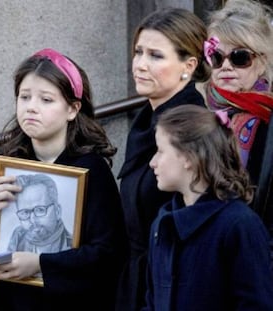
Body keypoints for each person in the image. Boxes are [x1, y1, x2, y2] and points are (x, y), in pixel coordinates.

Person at [0, 48, 127, 310]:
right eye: (24, 97)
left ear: (72, 109)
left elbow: (109, 255)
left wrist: (40, 264)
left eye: (46, 100)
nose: (31, 108)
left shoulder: (92, 171)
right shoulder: (0, 169)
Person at [116, 7, 211, 311]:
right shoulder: (145, 122)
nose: (140, 65)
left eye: (155, 56)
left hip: (171, 288)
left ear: (189, 65)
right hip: (134, 280)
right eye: (138, 52)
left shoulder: (194, 129)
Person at [144, 104, 273, 310]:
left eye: (160, 151)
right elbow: (152, 302)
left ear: (188, 156)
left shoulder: (239, 224)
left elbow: (257, 303)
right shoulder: (162, 224)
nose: (153, 162)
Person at [202, 0, 273, 246]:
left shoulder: (267, 119)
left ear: (262, 62)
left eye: (240, 57)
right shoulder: (199, 111)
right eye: (216, 58)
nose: (226, 67)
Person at [6, 174, 72, 253]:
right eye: (25, 212)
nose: (32, 220)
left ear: (57, 211)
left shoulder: (73, 245)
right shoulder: (18, 237)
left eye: (40, 210)